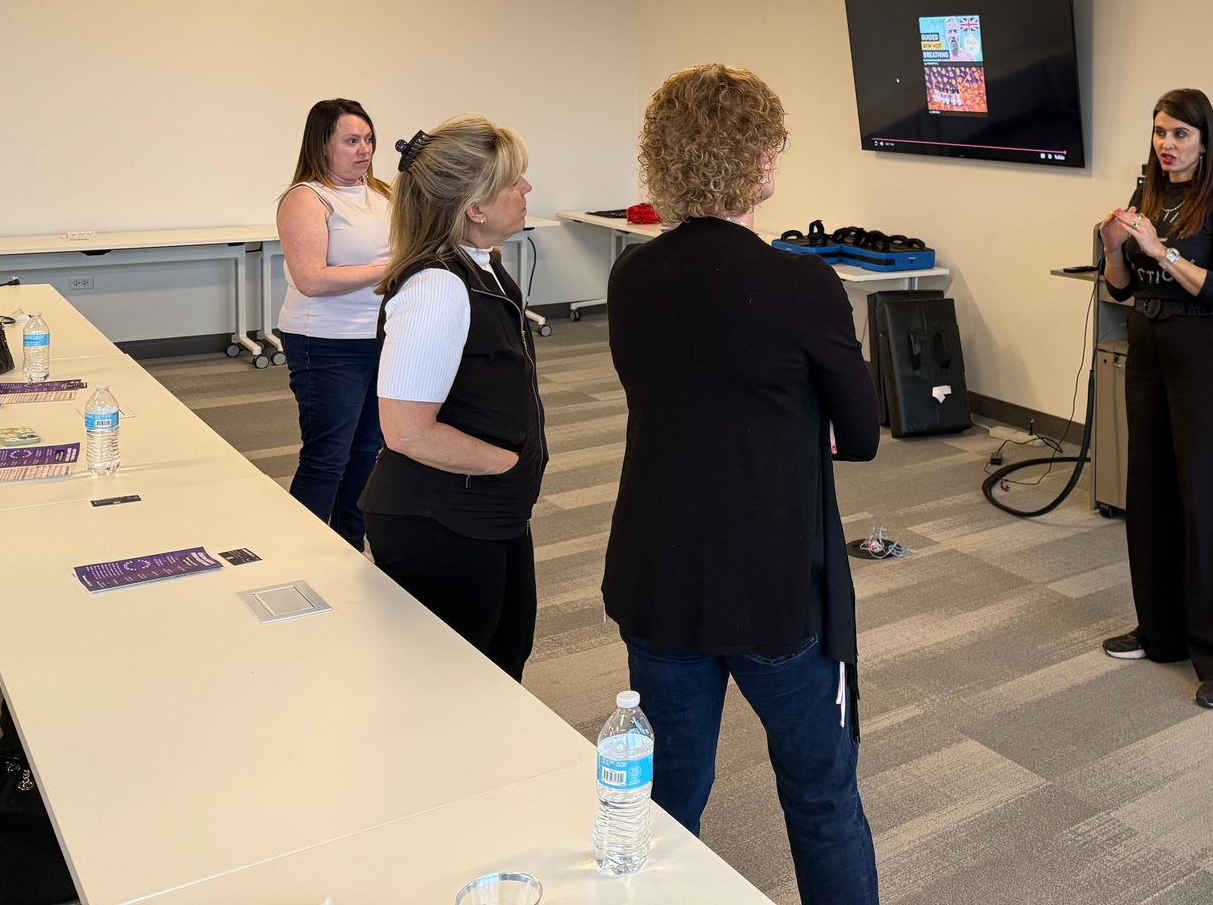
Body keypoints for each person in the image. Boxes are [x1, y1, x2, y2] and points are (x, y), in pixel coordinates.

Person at [602, 64, 881, 905]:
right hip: (774, 586)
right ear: (761, 159)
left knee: (664, 804)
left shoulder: (630, 277)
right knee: (821, 794)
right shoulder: (802, 284)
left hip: (661, 578)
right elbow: (861, 434)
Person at [358, 115, 546, 681]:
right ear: (476, 208)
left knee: (501, 660)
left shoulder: (482, 270)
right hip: (439, 521)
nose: (527, 190)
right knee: (451, 687)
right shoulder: (439, 287)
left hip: (485, 509)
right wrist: (507, 463)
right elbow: (408, 431)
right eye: (514, 181)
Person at [1096, 87, 1213, 710]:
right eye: (1160, 133)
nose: (1167, 145)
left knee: (1209, 504)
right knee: (1150, 494)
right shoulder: (1149, 193)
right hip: (1149, 347)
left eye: (1180, 135)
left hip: (1205, 357)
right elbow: (1119, 290)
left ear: (1204, 140)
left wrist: (1160, 251)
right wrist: (1116, 246)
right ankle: (1161, 631)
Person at [276, 98, 393, 549]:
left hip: (378, 338)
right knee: (327, 458)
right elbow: (312, 279)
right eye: (351, 140)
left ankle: (345, 548)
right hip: (324, 343)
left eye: (367, 140)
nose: (363, 150)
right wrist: (392, 266)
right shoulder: (306, 198)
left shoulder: (381, 192)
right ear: (323, 145)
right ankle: (303, 553)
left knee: (367, 453)